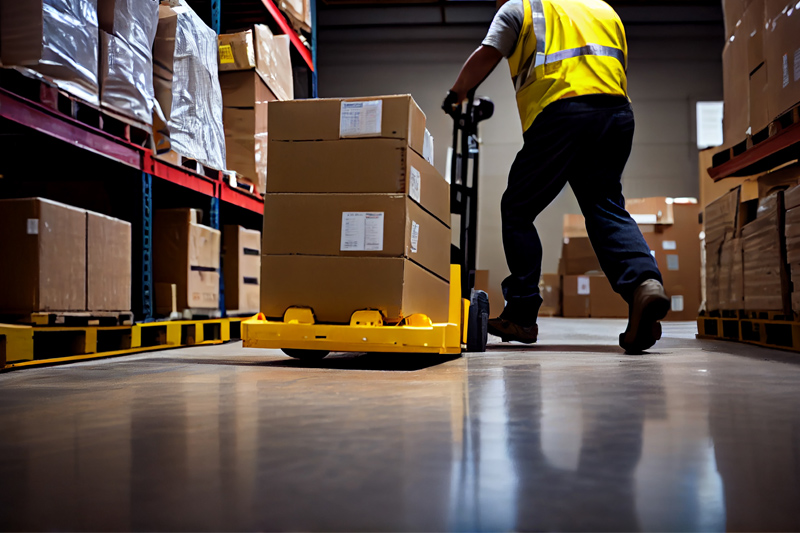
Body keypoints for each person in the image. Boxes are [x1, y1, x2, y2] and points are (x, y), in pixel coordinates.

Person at [443, 0, 669, 354]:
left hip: (562, 114)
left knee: (517, 209)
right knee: (604, 204)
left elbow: (487, 53)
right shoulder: (604, 9)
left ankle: (521, 314)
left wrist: (458, 93)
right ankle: (645, 283)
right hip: (617, 115)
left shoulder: (522, 9)